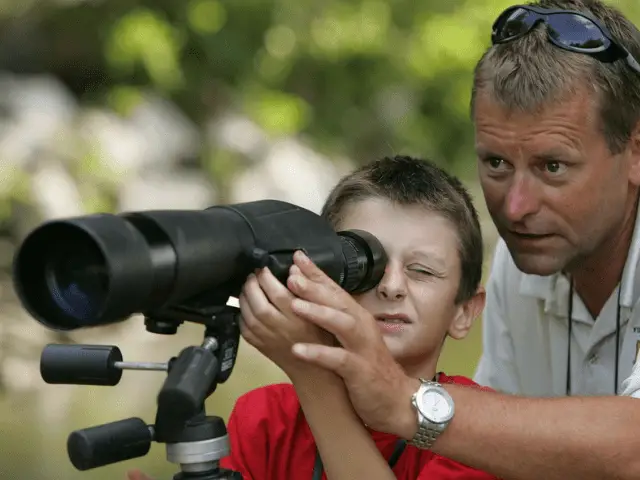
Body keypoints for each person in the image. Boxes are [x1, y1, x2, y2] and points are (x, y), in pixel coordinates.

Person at [278, 1, 640, 480]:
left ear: (635, 152)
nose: (514, 208)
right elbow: (500, 455)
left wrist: (403, 402)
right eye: (495, 164)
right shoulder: (522, 263)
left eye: (552, 167)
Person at [126, 155, 498, 480]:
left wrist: (313, 375)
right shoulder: (265, 420)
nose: (391, 286)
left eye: (422, 271)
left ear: (464, 311)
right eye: (365, 265)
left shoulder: (481, 430)